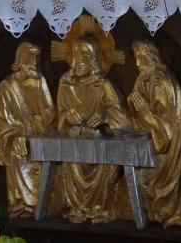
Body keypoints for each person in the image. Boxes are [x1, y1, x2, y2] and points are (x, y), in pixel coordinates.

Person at [57, 37, 132, 224]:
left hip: (101, 145)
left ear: (95, 59)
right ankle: (77, 208)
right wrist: (67, 117)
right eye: (77, 54)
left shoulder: (104, 85)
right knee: (70, 160)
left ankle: (100, 209)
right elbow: (58, 117)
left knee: (107, 162)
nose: (80, 60)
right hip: (76, 143)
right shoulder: (66, 83)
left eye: (86, 55)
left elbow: (124, 120)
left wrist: (105, 118)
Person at [0, 41, 56, 218]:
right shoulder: (8, 86)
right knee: (17, 155)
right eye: (30, 58)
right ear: (20, 60)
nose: (34, 63)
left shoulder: (40, 81)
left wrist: (43, 120)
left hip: (41, 135)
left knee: (54, 154)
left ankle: (46, 204)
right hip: (18, 139)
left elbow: (50, 110)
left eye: (37, 58)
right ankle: (23, 205)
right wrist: (15, 135)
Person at [126, 40, 181, 227]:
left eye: (141, 57)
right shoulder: (143, 78)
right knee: (140, 176)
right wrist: (133, 108)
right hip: (149, 141)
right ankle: (154, 216)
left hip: (164, 148)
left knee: (145, 177)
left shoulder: (160, 82)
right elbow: (136, 113)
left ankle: (168, 214)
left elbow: (167, 132)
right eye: (135, 57)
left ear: (152, 56)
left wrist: (145, 113)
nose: (137, 63)